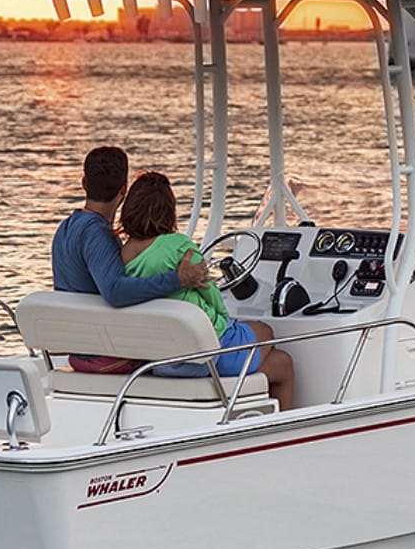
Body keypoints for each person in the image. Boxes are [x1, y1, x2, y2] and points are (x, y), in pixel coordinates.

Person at [119, 171, 295, 408]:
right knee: (269, 337)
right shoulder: (178, 246)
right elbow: (212, 296)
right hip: (206, 356)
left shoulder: (123, 255)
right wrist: (224, 318)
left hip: (160, 360)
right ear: (168, 210)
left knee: (276, 359)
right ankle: (279, 434)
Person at [51, 146, 209, 372]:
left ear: (84, 184)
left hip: (80, 351)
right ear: (124, 190)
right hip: (106, 354)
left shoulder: (65, 229)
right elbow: (115, 291)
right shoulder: (97, 235)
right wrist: (178, 279)